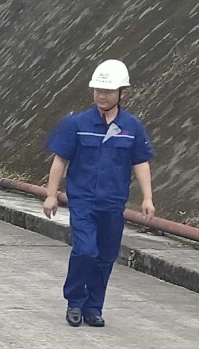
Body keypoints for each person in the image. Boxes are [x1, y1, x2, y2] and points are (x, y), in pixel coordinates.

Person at [42, 59, 154, 328]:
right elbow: (60, 160)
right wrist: (51, 194)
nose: (102, 96)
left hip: (113, 203)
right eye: (98, 91)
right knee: (85, 251)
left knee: (105, 256)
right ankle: (75, 301)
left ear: (122, 93)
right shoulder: (76, 123)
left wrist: (148, 198)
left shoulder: (132, 127)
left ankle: (93, 307)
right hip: (83, 201)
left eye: (108, 91)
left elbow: (141, 162)